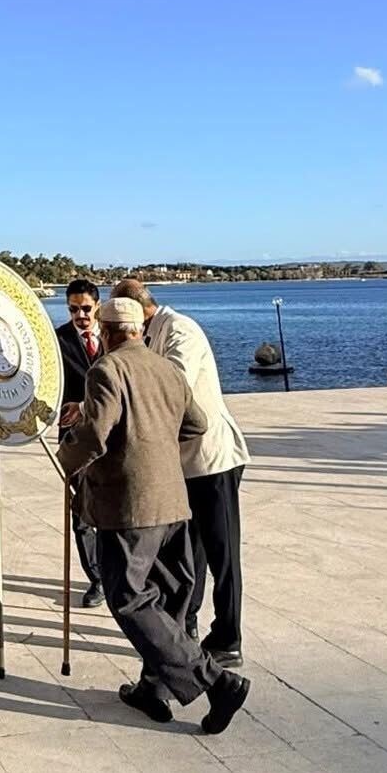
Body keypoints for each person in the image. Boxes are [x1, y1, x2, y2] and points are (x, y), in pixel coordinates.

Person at [58, 298, 250, 733]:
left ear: (106, 332)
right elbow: (197, 424)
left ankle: (216, 682)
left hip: (130, 506)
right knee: (168, 596)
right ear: (138, 331)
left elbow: (94, 436)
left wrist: (67, 453)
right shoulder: (166, 369)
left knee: (128, 597)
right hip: (174, 502)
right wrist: (155, 440)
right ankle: (154, 688)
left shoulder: (106, 370)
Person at [112, 279, 249, 667]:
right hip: (181, 464)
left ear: (137, 312)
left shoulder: (179, 330)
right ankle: (185, 625)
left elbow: (171, 389)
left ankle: (229, 636)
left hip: (211, 460)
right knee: (190, 554)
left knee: (223, 553)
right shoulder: (151, 335)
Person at [54, 279, 105, 608]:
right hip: (75, 439)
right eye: (74, 309)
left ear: (97, 306)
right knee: (82, 512)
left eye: (85, 308)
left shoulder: (117, 336)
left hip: (112, 435)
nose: (80, 315)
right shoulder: (57, 341)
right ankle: (97, 578)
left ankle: (122, 572)